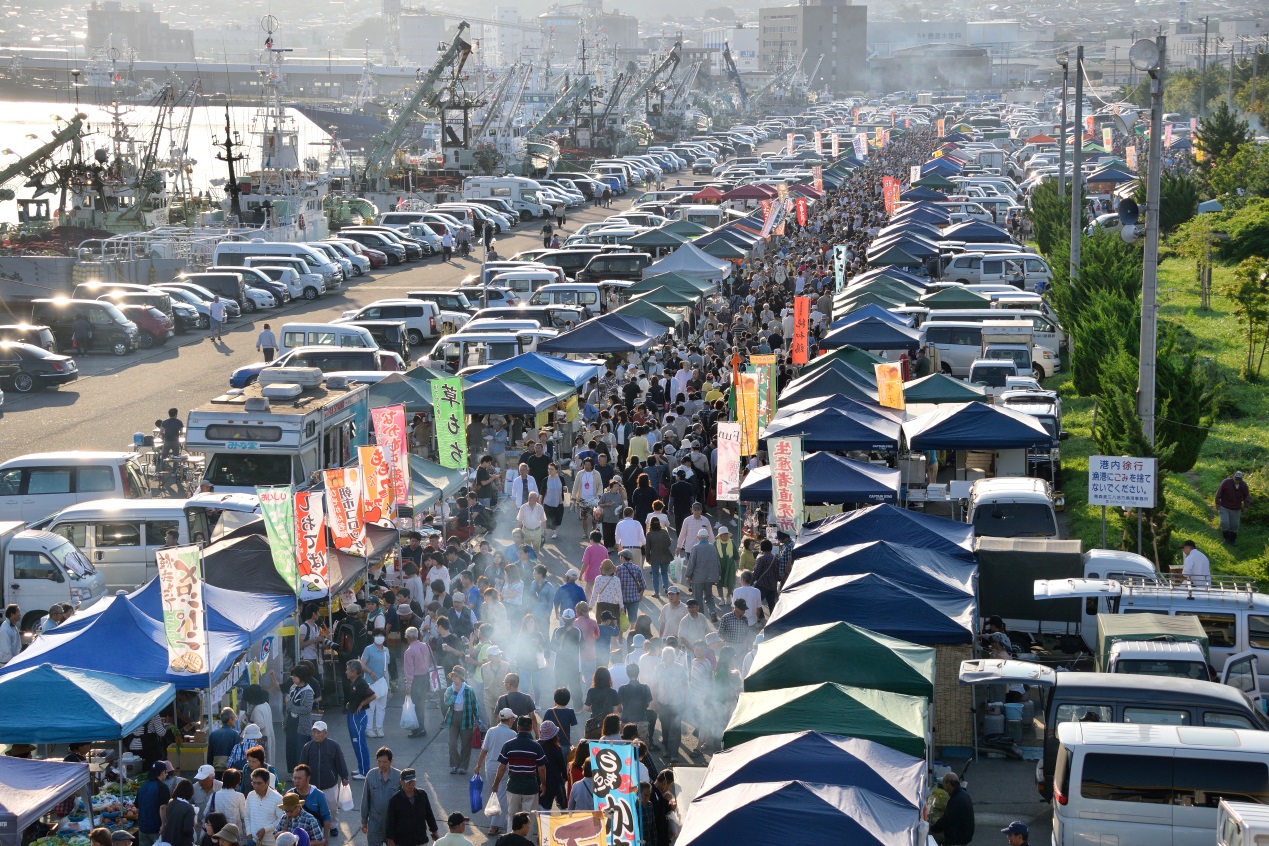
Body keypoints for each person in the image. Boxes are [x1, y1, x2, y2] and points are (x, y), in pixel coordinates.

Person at [490, 716, 547, 838]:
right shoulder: (536, 746)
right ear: (531, 728)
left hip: (513, 787)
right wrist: (543, 784)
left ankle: (512, 841)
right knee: (529, 819)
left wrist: (495, 784)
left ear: (517, 727)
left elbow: (501, 767)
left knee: (512, 817)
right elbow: (541, 768)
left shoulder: (508, 745)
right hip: (530, 788)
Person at [296, 721, 350, 836]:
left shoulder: (334, 746)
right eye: (314, 732)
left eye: (319, 732)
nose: (316, 735)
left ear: (325, 733)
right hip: (312, 786)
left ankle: (333, 826)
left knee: (332, 807)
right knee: (310, 808)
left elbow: (340, 762)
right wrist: (299, 779)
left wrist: (344, 776)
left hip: (330, 785)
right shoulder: (308, 747)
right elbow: (302, 765)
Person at [475, 709, 517, 835]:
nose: (513, 721)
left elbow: (484, 750)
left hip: (490, 766)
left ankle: (495, 819)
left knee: (495, 792)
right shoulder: (512, 734)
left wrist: (478, 765)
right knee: (501, 796)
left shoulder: (491, 731)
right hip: (503, 767)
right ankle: (494, 825)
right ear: (509, 720)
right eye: (513, 719)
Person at [443, 665, 481, 774]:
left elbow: (475, 705)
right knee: (452, 743)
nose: (454, 679)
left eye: (456, 677)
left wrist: (477, 718)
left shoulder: (469, 690)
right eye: (453, 677)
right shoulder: (450, 690)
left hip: (467, 718)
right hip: (453, 718)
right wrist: (455, 694)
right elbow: (447, 703)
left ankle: (463, 766)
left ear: (461, 678)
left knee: (466, 744)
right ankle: (455, 764)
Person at [384, 769, 439, 846]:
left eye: (412, 781)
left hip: (421, 840)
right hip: (402, 842)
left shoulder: (422, 795)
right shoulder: (395, 800)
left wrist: (434, 832)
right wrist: (390, 840)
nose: (411, 784)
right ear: (401, 782)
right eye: (407, 781)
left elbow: (429, 815)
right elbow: (390, 822)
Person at [360, 747, 401, 846]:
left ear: (391, 761)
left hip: (393, 823)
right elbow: (365, 800)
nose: (381, 765)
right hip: (375, 823)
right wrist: (364, 821)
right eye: (379, 761)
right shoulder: (371, 775)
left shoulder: (399, 776)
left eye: (385, 762)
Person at [343, 661, 375, 778]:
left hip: (359, 716)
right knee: (355, 743)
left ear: (354, 671)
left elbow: (373, 696)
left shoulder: (361, 683)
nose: (346, 671)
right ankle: (361, 767)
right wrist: (349, 704)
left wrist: (362, 704)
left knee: (360, 743)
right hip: (351, 715)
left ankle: (364, 771)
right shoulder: (353, 683)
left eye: (348, 669)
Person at [401, 627, 433, 739]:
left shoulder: (409, 651)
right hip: (425, 678)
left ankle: (417, 729)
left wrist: (408, 686)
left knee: (414, 705)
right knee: (421, 704)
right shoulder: (425, 646)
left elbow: (408, 671)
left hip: (415, 680)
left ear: (409, 637)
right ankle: (421, 727)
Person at [683, 530, 722, 616]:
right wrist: (718, 575)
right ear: (708, 537)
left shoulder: (695, 548)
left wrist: (688, 575)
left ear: (698, 537)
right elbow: (717, 562)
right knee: (709, 597)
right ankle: (712, 611)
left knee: (698, 599)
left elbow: (691, 564)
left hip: (698, 578)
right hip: (710, 578)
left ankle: (701, 616)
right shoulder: (712, 547)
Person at [289, 766, 331, 846]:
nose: (296, 781)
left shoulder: (319, 795)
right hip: (293, 840)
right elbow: (285, 816)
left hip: (314, 839)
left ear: (308, 778)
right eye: (294, 778)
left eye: (299, 778)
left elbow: (326, 817)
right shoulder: (290, 794)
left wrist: (325, 838)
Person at [930, 772, 974, 846]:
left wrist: (932, 827)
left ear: (949, 784)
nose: (942, 785)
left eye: (943, 783)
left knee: (931, 835)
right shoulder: (963, 794)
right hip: (965, 832)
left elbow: (946, 820)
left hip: (959, 836)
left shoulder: (956, 800)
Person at [360, 631, 391, 738]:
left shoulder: (386, 650)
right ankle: (369, 728)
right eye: (377, 635)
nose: (380, 637)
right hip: (370, 682)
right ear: (373, 637)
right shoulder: (368, 649)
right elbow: (362, 664)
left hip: (382, 682)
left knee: (381, 706)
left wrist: (388, 683)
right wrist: (370, 672)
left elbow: (386, 668)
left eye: (382, 635)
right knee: (370, 707)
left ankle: (379, 727)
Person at [284, 667, 315, 771]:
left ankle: (301, 773)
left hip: (301, 725)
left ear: (301, 677)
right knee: (291, 748)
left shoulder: (308, 691)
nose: (292, 677)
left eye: (295, 676)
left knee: (300, 750)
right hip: (291, 723)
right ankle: (293, 772)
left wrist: (289, 705)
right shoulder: (293, 687)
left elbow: (306, 709)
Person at [244, 768, 284, 846]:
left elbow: (281, 820)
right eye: (254, 783)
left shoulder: (278, 798)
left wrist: (266, 829)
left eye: (259, 783)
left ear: (267, 782)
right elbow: (247, 816)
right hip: (253, 841)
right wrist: (249, 833)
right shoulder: (250, 795)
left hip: (271, 843)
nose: (255, 786)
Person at [137, 761, 173, 846]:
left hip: (143, 829)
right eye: (166, 772)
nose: (166, 774)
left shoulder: (143, 786)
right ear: (162, 773)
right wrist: (163, 825)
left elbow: (137, 806)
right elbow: (163, 807)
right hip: (156, 830)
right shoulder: (162, 787)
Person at [1216, 470, 1252, 544]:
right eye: (1236, 479)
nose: (1237, 481)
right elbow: (1219, 492)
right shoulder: (1226, 482)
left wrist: (1246, 505)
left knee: (1235, 525)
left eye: (1239, 480)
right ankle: (1226, 538)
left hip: (1236, 508)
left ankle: (1232, 540)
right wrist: (1217, 503)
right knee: (1224, 522)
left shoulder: (1244, 485)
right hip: (1224, 506)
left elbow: (1247, 496)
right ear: (1233, 477)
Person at [162, 779, 199, 846]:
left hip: (168, 841)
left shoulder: (171, 803)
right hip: (182, 842)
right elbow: (188, 830)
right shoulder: (189, 808)